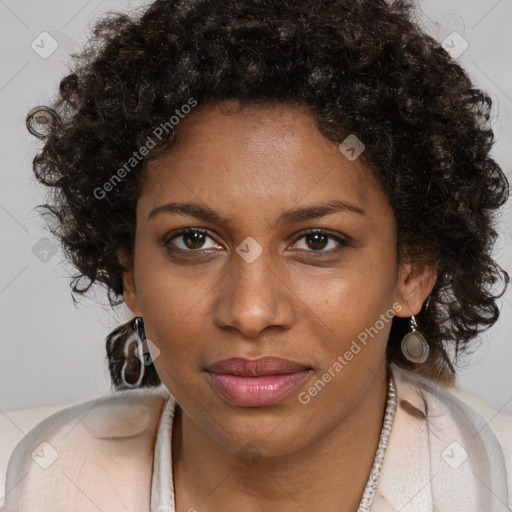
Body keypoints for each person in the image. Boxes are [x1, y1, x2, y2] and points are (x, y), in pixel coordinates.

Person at [3, 0, 511, 510]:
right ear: (130, 274)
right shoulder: (32, 482)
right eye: (193, 240)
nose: (249, 313)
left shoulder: (491, 480)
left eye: (317, 241)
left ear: (413, 273)